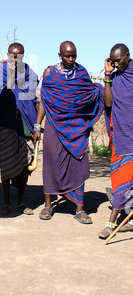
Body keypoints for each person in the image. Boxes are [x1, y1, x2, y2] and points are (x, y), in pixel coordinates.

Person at [33, 41, 104, 224]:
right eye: (67, 56)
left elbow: (90, 95)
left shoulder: (81, 72)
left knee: (79, 163)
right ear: (60, 55)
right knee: (50, 164)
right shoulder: (50, 73)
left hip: (76, 127)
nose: (71, 59)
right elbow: (44, 101)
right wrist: (37, 125)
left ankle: (80, 209)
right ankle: (48, 205)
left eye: (73, 56)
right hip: (54, 127)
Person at [0, 43, 39, 216]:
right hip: (6, 123)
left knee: (25, 164)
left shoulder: (29, 73)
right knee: (6, 163)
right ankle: (7, 202)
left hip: (24, 123)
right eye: (12, 56)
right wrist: (9, 78)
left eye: (19, 56)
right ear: (8, 55)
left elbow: (30, 97)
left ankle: (21, 202)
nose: (15, 59)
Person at [98, 43, 133, 239]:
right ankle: (114, 222)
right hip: (122, 136)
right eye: (112, 61)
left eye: (118, 60)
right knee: (120, 180)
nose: (116, 64)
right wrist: (108, 77)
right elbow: (109, 103)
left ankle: (116, 223)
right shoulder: (116, 78)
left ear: (128, 56)